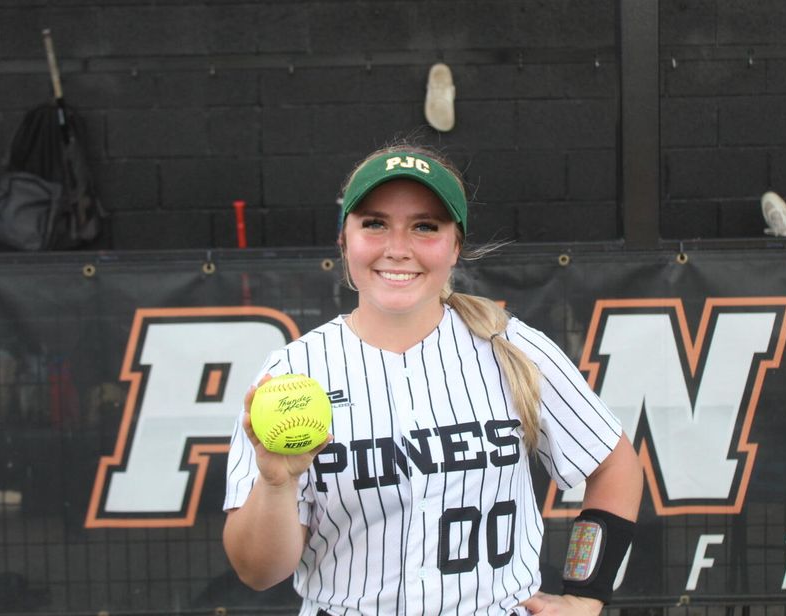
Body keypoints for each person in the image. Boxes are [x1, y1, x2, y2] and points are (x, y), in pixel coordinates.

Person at [223, 143, 644, 616]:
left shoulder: (511, 348)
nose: (397, 249)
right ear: (344, 239)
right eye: (374, 223)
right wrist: (277, 484)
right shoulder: (292, 373)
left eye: (425, 226)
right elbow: (257, 571)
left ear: (456, 245)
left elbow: (614, 465)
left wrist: (586, 596)